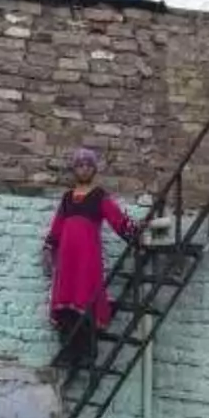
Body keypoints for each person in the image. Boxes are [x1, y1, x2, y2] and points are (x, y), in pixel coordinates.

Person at [42, 148, 135, 374]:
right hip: (66, 258)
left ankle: (86, 353)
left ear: (94, 169)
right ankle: (68, 351)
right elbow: (57, 225)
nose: (83, 169)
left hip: (87, 259)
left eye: (88, 165)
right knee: (65, 300)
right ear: (74, 170)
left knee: (86, 298)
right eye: (79, 165)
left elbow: (118, 220)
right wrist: (48, 247)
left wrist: (135, 234)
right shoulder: (67, 198)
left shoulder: (99, 196)